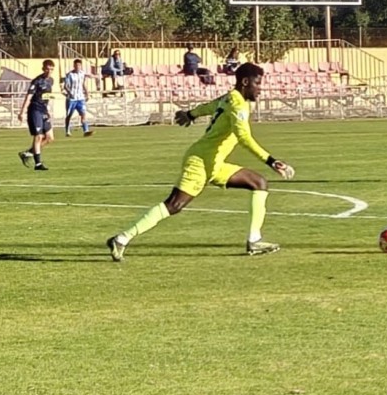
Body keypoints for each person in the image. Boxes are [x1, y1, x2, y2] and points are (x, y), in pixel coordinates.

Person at [105, 63, 295, 261]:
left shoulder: (229, 97)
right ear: (245, 82)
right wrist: (271, 161)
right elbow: (244, 137)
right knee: (174, 205)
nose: (260, 89)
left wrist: (190, 114)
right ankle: (121, 239)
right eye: (257, 83)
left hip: (214, 163)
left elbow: (209, 106)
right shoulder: (238, 105)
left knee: (259, 183)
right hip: (201, 162)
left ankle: (254, 240)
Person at [17, 59, 56, 171]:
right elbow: (28, 96)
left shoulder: (51, 81)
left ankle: (28, 153)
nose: (49, 71)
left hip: (44, 110)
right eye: (47, 69)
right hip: (35, 110)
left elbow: (46, 96)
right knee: (38, 136)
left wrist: (48, 109)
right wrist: (22, 112)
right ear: (43, 69)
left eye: (51, 69)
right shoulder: (36, 81)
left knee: (50, 138)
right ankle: (38, 164)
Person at [62, 58, 93, 137]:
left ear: (81, 66)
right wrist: (70, 93)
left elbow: (83, 84)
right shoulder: (70, 75)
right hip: (71, 99)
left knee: (83, 114)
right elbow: (65, 86)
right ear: (74, 66)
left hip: (80, 98)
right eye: (76, 65)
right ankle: (67, 131)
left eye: (79, 65)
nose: (77, 67)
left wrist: (87, 93)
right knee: (69, 115)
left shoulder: (82, 74)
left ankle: (86, 130)